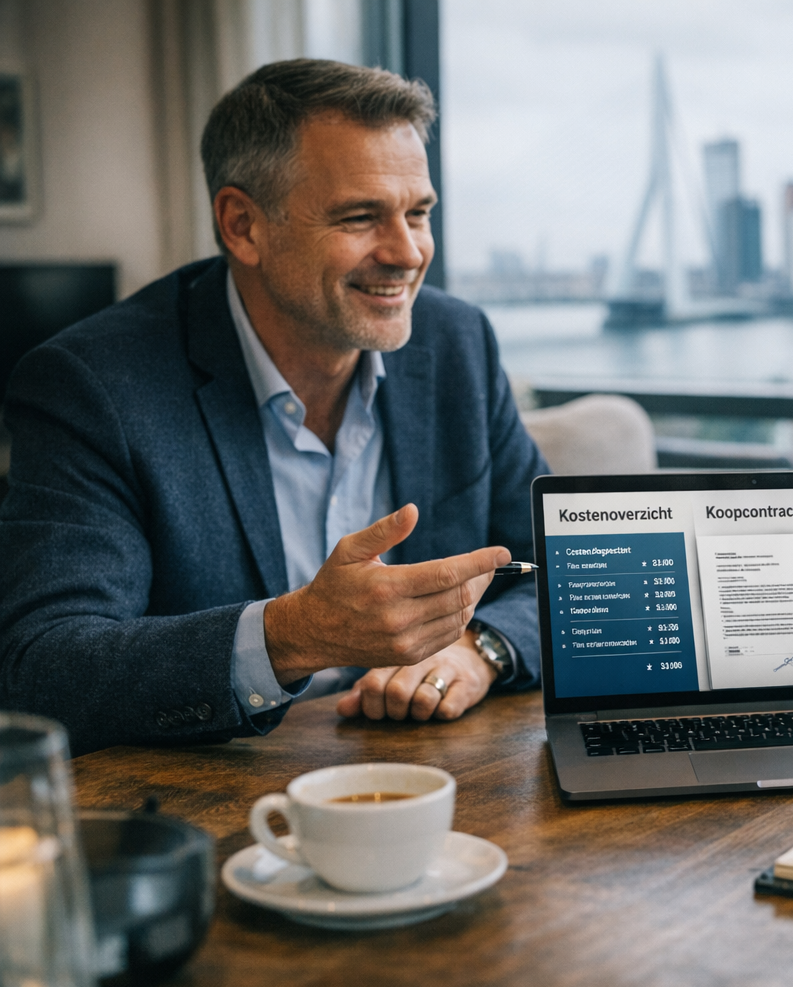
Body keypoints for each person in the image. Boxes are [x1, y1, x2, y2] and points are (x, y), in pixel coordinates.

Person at [0, 60, 549, 755]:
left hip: (435, 776)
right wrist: (292, 635)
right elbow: (40, 667)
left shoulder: (458, 343)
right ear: (243, 225)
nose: (408, 253)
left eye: (419, 213)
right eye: (359, 217)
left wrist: (480, 652)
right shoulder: (92, 385)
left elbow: (565, 567)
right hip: (218, 797)